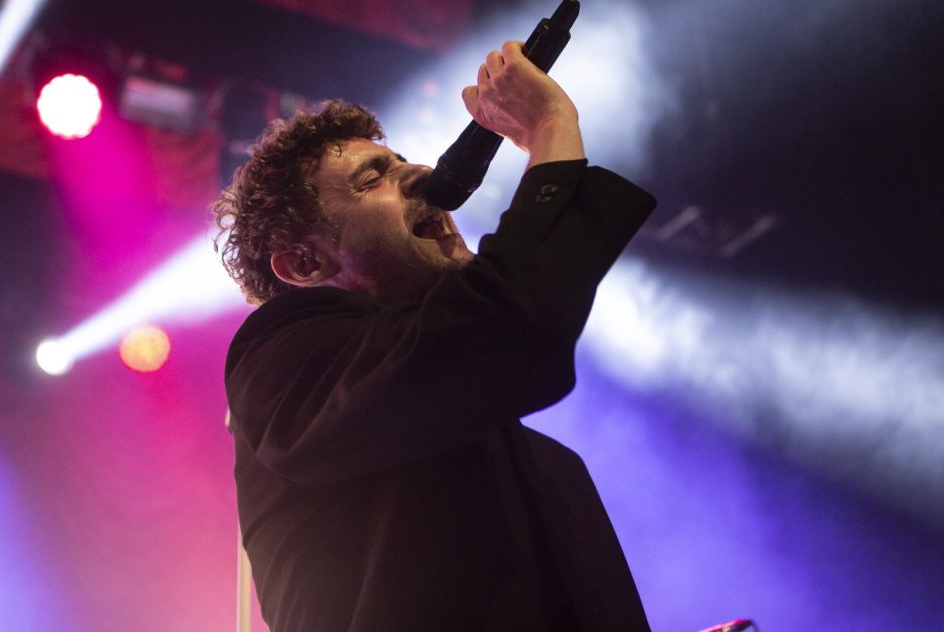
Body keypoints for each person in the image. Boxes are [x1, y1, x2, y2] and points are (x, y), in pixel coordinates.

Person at [213, 40, 656, 631]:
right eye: (374, 177)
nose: (421, 173)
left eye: (402, 161)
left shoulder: (552, 469)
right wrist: (550, 128)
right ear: (304, 264)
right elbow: (511, 324)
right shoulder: (280, 363)